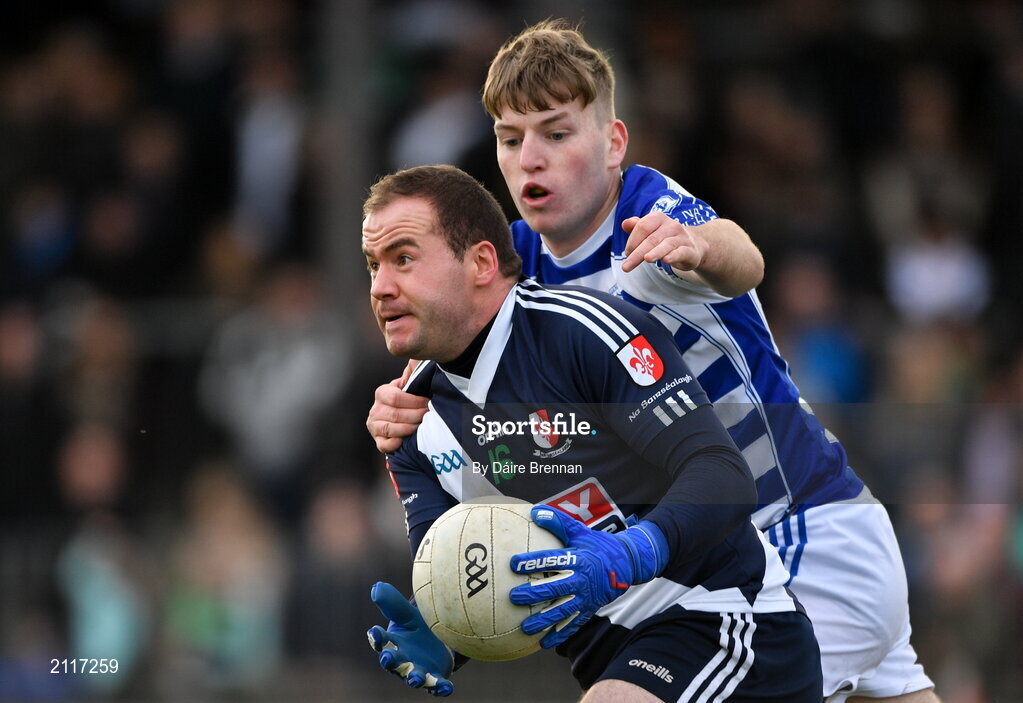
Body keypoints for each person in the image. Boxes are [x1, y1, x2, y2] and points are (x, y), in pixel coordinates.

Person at [367, 20, 937, 703]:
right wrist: (401, 402)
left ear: (612, 144)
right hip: (716, 545)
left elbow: (743, 258)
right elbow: (456, 348)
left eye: (556, 132)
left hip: (796, 532)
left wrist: (699, 244)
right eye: (510, 138)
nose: (530, 158)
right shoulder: (514, 261)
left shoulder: (646, 217)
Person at [362, 164, 822, 701]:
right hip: (612, 660)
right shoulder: (409, 422)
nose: (380, 287)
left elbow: (723, 476)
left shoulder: (584, 333)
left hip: (726, 623)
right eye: (373, 266)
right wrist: (444, 633)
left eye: (403, 259)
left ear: (482, 262)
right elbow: (466, 574)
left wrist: (631, 552)